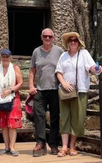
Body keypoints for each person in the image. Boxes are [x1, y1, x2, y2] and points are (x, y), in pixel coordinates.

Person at [55, 32, 102, 157]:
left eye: (75, 40)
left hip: (80, 90)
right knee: (64, 117)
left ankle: (72, 146)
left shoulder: (84, 54)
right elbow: (59, 72)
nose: (73, 42)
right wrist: (64, 83)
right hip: (65, 91)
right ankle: (64, 147)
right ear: (68, 43)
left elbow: (92, 67)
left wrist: (97, 69)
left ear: (78, 42)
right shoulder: (63, 56)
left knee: (77, 119)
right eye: (71, 40)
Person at [29, 28, 64, 157]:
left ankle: (54, 143)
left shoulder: (59, 51)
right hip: (40, 89)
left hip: (55, 89)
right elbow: (32, 70)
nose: (48, 39)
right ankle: (40, 142)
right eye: (45, 36)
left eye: (50, 36)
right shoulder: (36, 52)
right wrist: (31, 86)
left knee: (55, 117)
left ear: (53, 38)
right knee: (38, 116)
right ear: (41, 37)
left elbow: (64, 68)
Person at [0, 49, 23, 156]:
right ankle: (6, 146)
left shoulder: (15, 68)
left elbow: (20, 83)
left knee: (12, 123)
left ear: (10, 58)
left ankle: (12, 147)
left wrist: (10, 90)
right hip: (1, 97)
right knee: (4, 124)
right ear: (1, 58)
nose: (5, 59)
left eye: (7, 57)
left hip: (12, 97)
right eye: (3, 57)